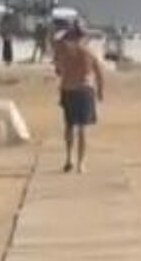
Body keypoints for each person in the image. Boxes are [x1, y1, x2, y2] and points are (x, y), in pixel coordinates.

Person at [53, 24, 106, 173]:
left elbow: (58, 70)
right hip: (84, 89)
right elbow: (99, 73)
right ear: (82, 37)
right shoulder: (88, 52)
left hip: (68, 88)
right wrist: (100, 91)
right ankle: (81, 163)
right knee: (82, 128)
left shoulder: (64, 52)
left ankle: (69, 157)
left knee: (69, 125)